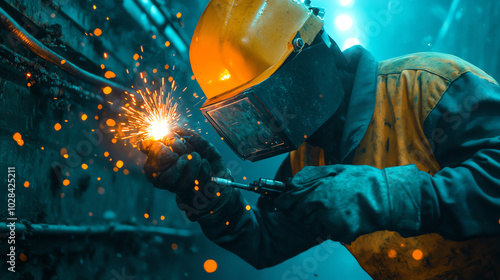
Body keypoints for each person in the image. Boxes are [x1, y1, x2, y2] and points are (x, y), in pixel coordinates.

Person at [141, 0, 500, 278]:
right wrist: (209, 197)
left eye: (275, 100)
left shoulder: (429, 85)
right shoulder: (306, 163)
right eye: (247, 115)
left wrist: (386, 196)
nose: (268, 123)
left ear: (312, 58)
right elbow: (263, 241)